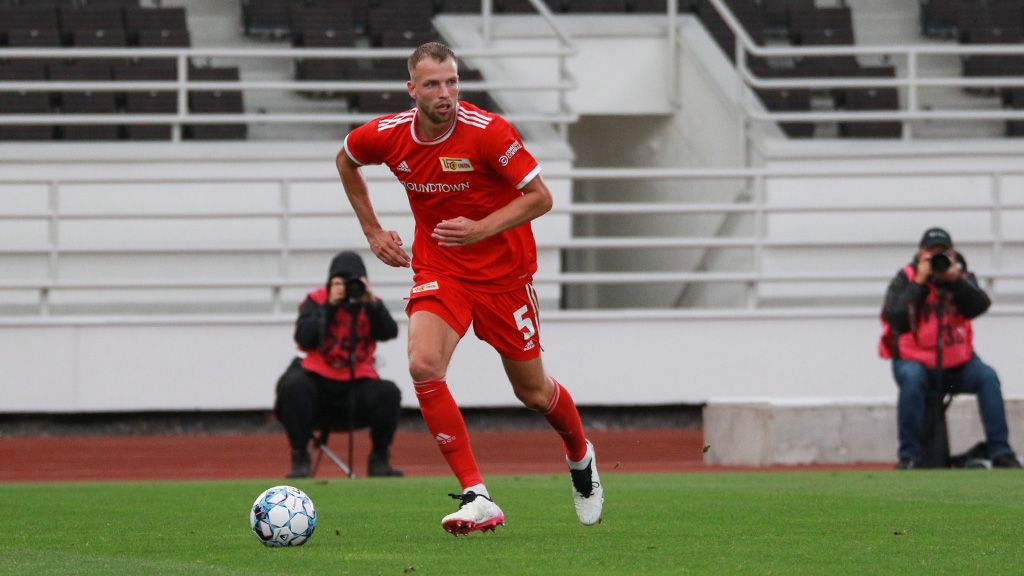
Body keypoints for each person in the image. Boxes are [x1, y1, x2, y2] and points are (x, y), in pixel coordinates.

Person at [335, 42, 603, 535]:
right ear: (412, 89)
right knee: (422, 364)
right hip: (443, 269)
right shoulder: (389, 135)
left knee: (533, 392)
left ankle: (580, 454)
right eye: (434, 84)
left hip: (505, 277)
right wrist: (373, 231)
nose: (446, 93)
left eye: (453, 82)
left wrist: (481, 228)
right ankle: (477, 495)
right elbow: (346, 159)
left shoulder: (488, 133)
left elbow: (540, 198)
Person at [880, 227, 1020, 469]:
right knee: (912, 380)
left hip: (957, 365)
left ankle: (1001, 452)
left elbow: (980, 306)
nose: (937, 258)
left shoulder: (961, 277)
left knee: (987, 377)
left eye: (942, 252)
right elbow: (895, 318)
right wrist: (919, 283)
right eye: (931, 253)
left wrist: (956, 281)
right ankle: (909, 457)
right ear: (920, 253)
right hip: (916, 362)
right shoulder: (906, 277)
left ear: (952, 253)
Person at [275, 250, 404, 478]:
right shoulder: (316, 301)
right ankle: (300, 457)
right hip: (317, 381)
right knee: (292, 386)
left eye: (352, 281)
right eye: (339, 282)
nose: (346, 287)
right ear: (330, 282)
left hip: (357, 383)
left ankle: (379, 459)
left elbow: (389, 331)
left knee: (388, 392)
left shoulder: (369, 302)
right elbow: (304, 337)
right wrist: (330, 306)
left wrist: (371, 303)